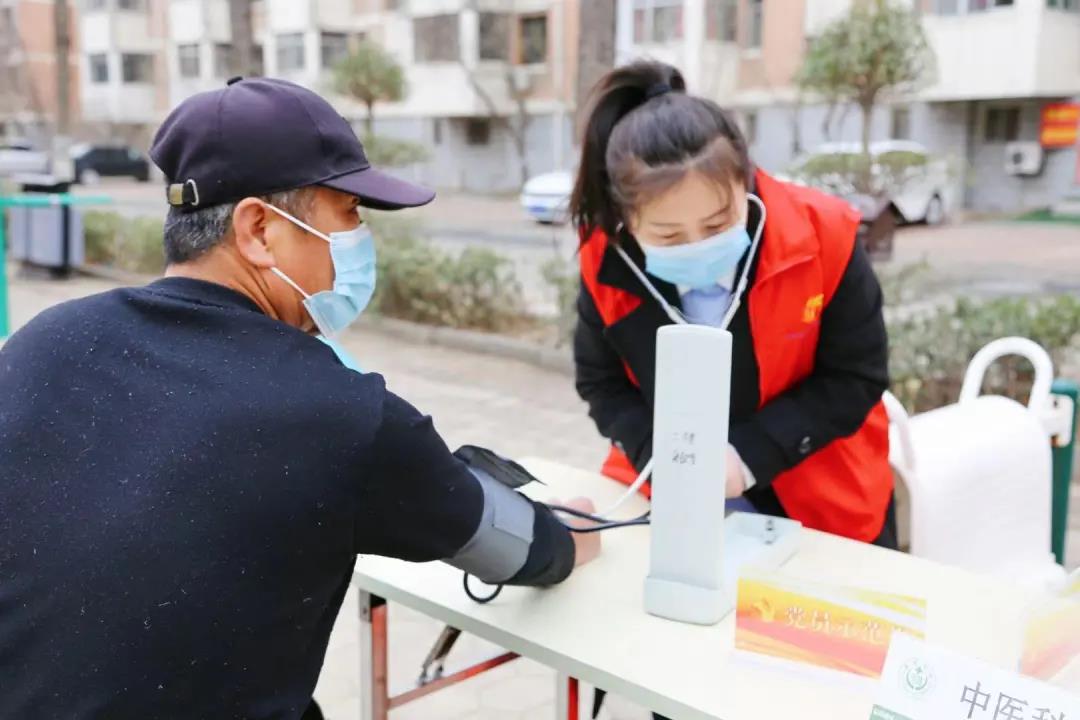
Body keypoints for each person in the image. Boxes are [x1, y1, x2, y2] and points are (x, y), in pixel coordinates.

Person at [0, 77, 598, 719]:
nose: (359, 245)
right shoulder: (340, 413)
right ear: (259, 229)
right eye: (348, 215)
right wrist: (574, 529)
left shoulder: (43, 341)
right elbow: (518, 548)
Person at [571, 61, 894, 546]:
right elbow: (602, 384)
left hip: (821, 489)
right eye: (668, 234)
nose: (696, 244)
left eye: (719, 224)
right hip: (667, 490)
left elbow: (856, 376)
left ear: (746, 184)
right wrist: (666, 461)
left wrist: (746, 456)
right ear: (627, 221)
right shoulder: (604, 259)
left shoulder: (823, 236)